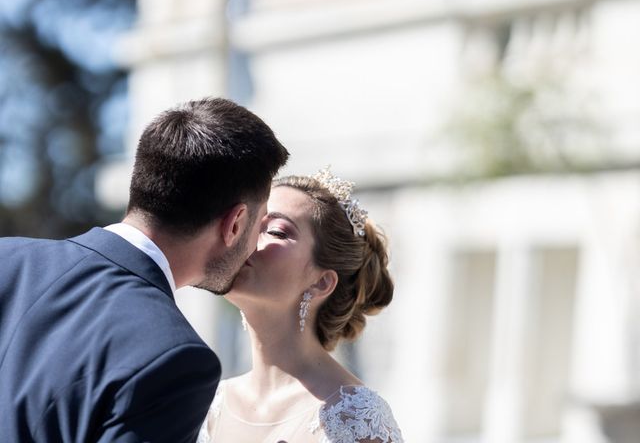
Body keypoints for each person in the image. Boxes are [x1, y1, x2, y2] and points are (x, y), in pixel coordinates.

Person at [0, 97, 289, 442]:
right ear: (236, 223)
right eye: (260, 222)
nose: (259, 240)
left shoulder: (7, 257)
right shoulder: (173, 359)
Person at [197, 168, 404, 443]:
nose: (244, 239)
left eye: (274, 231)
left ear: (321, 282)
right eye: (247, 223)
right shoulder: (214, 405)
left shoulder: (354, 417)